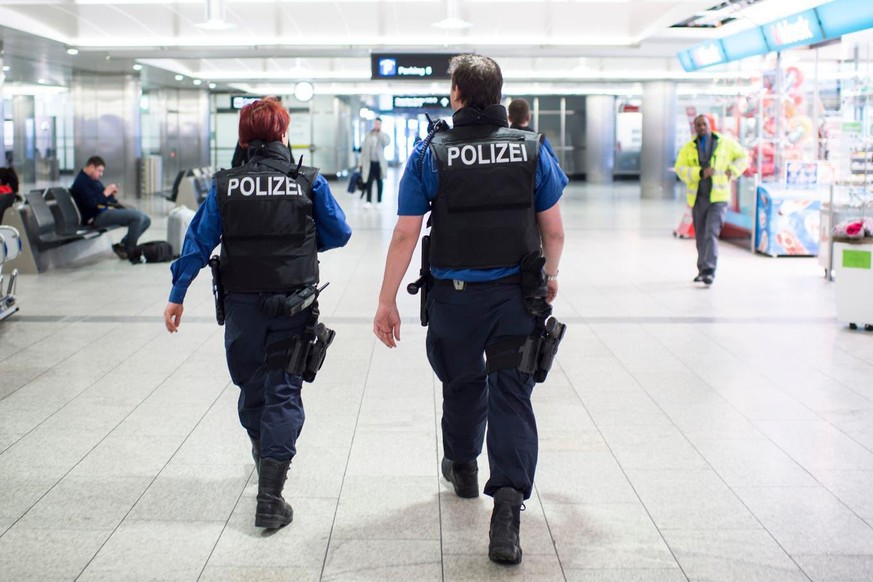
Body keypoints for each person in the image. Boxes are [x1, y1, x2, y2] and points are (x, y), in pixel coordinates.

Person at [373, 54, 566, 565]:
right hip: (514, 300)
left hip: (455, 300)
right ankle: (506, 514)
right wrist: (550, 277)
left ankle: (462, 467)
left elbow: (405, 234)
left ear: (456, 93)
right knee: (512, 395)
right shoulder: (532, 150)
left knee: (461, 383)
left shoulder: (430, 154)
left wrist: (386, 299)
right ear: (499, 94)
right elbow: (554, 230)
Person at [163, 97, 351, 530]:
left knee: (251, 384)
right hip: (293, 306)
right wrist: (303, 241)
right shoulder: (306, 181)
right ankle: (271, 493)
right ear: (284, 133)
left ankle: (262, 450)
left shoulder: (227, 185)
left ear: (243, 138)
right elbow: (339, 232)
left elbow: (198, 241)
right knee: (283, 390)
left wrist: (177, 293)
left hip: (242, 308)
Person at [675, 115, 747, 285]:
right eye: (698, 125)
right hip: (698, 198)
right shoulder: (688, 148)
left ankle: (709, 270)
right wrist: (700, 172)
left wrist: (734, 170)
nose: (701, 127)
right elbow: (681, 169)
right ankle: (702, 269)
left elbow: (743, 157)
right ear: (695, 127)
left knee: (711, 233)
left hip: (719, 198)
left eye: (704, 124)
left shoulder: (725, 144)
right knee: (700, 234)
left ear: (710, 125)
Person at [69, 156, 152, 261]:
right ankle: (129, 249)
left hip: (105, 211)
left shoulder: (93, 180)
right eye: (99, 171)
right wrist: (105, 192)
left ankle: (123, 245)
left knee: (146, 220)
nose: (101, 174)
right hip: (95, 217)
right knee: (137, 218)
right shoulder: (81, 182)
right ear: (91, 167)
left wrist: (110, 194)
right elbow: (91, 203)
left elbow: (102, 198)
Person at [507, 98, 567, 179]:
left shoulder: (501, 140)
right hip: (534, 188)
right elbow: (555, 164)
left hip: (507, 188)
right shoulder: (540, 140)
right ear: (528, 117)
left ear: (509, 118)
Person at [360, 117, 390, 205]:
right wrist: (360, 163)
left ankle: (379, 201)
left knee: (379, 182)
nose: (376, 125)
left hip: (379, 163)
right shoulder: (368, 135)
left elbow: (386, 142)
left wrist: (380, 132)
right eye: (375, 123)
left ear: (380, 124)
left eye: (378, 123)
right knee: (369, 182)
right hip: (370, 163)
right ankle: (368, 201)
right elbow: (364, 149)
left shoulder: (383, 135)